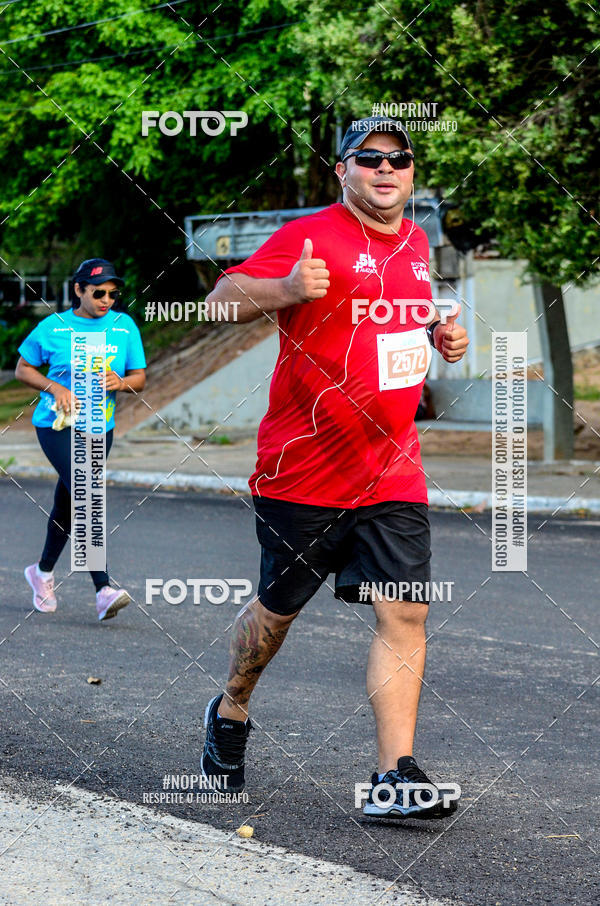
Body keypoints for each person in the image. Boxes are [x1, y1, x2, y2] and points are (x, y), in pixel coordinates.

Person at [200, 117, 470, 819]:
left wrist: (441, 335)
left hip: (391, 469)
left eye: (399, 158)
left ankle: (394, 777)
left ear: (411, 172)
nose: (387, 168)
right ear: (342, 171)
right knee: (279, 610)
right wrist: (287, 288)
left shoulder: (416, 242)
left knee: (406, 610)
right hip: (302, 470)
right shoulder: (309, 234)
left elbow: (398, 325)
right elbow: (219, 302)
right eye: (370, 157)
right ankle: (231, 708)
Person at [15, 258, 146, 621]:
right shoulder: (53, 327)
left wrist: (121, 382)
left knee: (69, 502)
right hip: (57, 426)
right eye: (99, 292)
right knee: (85, 489)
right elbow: (23, 369)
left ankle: (40, 573)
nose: (107, 300)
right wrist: (54, 386)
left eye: (113, 293)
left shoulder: (123, 327)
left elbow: (140, 378)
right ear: (78, 290)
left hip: (99, 428)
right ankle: (103, 588)